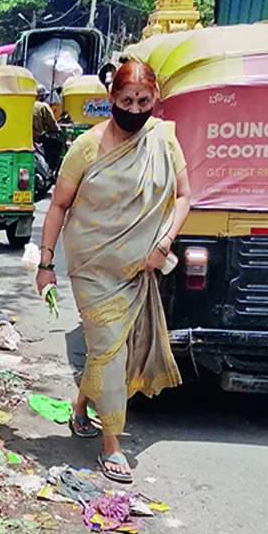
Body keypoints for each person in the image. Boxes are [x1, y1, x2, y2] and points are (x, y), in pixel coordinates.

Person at [34, 58, 191, 484]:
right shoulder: (86, 146)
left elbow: (184, 197)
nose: (135, 108)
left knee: (109, 348)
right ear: (111, 100)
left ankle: (81, 406)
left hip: (139, 265)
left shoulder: (163, 140)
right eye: (126, 100)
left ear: (154, 100)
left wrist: (165, 241)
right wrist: (46, 263)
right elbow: (59, 207)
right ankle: (111, 443)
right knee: (110, 350)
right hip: (91, 268)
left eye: (143, 100)